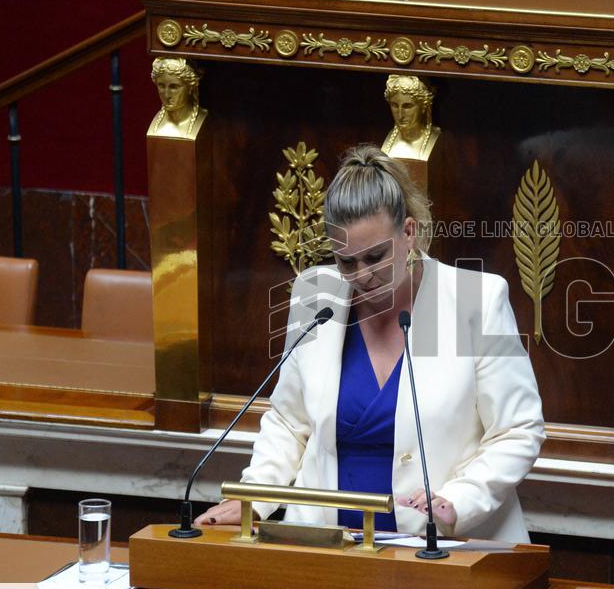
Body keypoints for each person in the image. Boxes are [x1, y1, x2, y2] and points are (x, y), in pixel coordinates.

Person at [195, 145, 545, 542]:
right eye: (346, 261)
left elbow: (518, 430)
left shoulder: (474, 300)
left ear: (409, 233)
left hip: (446, 546)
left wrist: (459, 500)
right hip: (329, 548)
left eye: (376, 256)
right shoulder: (316, 294)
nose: (362, 276)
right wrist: (252, 498)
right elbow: (289, 422)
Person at [381, 75, 441, 161]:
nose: (400, 115)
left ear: (423, 106)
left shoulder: (436, 138)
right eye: (395, 105)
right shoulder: (389, 139)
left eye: (407, 106)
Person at [149, 57, 206, 138]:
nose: (166, 95)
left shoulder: (202, 118)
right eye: (161, 86)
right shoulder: (156, 125)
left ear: (190, 87)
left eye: (174, 87)